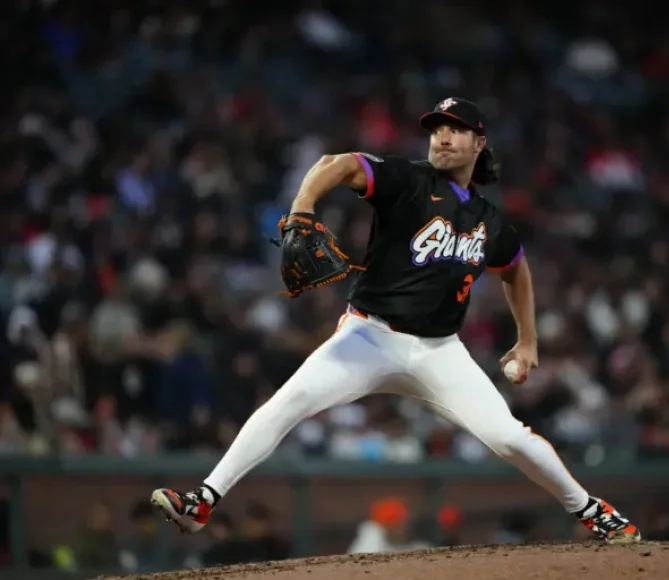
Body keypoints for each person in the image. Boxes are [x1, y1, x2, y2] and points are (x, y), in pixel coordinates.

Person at [150, 97, 641, 545]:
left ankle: (594, 511)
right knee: (288, 401)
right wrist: (302, 207)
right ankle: (203, 501)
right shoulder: (407, 180)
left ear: (479, 143)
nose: (443, 137)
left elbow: (515, 268)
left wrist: (527, 339)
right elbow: (335, 164)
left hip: (439, 351)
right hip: (370, 336)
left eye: (456, 129)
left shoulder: (491, 221)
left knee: (509, 437)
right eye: (436, 129)